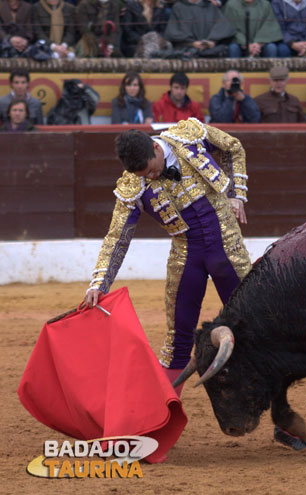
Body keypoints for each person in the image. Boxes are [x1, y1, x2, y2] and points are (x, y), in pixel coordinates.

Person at [83, 120, 252, 392]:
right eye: (143, 175)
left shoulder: (189, 135)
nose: (149, 177)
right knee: (178, 337)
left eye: (151, 170)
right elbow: (117, 237)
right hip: (186, 253)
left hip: (226, 243)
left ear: (155, 148)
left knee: (253, 323)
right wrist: (99, 282)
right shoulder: (132, 183)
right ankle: (164, 411)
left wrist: (237, 194)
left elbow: (233, 148)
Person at [163, 0, 235, 55]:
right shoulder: (178, 7)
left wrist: (213, 41)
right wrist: (192, 43)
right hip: (186, 49)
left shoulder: (210, 7)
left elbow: (223, 27)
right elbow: (173, 32)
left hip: (210, 49)